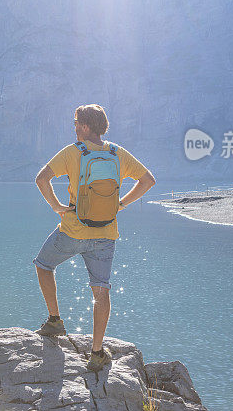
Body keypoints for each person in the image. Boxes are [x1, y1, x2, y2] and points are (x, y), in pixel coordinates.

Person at [32, 104, 156, 372]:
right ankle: (97, 353)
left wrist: (56, 206)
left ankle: (55, 320)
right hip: (106, 233)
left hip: (73, 230)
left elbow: (41, 179)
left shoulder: (73, 152)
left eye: (77, 122)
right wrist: (121, 204)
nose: (74, 127)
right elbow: (148, 181)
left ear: (86, 126)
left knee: (43, 265)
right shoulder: (117, 153)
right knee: (101, 289)